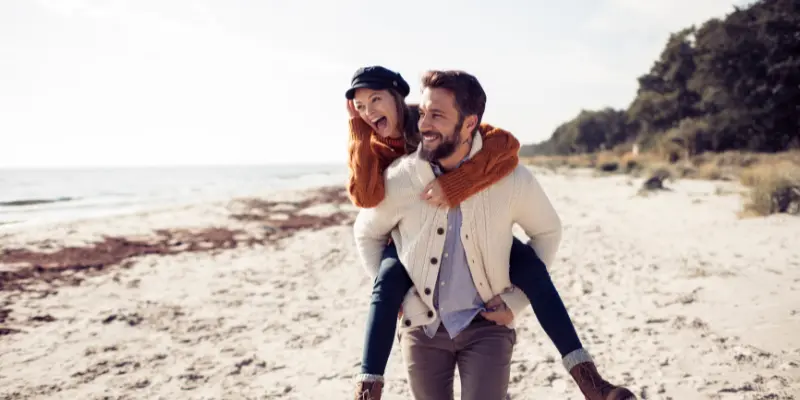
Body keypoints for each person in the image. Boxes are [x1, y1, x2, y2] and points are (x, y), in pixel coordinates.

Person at [346, 66, 635, 400]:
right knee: (388, 275)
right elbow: (365, 218)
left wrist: (515, 300)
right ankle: (367, 388)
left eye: (436, 115)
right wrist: (406, 301)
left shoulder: (506, 175)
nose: (425, 123)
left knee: (528, 265)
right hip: (423, 324)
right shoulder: (395, 169)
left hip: (486, 327)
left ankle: (588, 378)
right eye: (424, 113)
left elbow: (544, 223)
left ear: (469, 123)